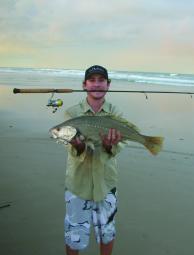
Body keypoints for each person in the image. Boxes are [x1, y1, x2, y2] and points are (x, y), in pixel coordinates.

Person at [63, 65, 125, 255]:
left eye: (101, 80)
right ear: (84, 85)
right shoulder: (72, 114)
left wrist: (109, 145)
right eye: (92, 80)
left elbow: (118, 148)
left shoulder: (116, 113)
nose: (97, 84)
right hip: (77, 185)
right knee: (74, 234)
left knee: (107, 232)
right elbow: (71, 147)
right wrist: (78, 145)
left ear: (108, 85)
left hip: (106, 185)